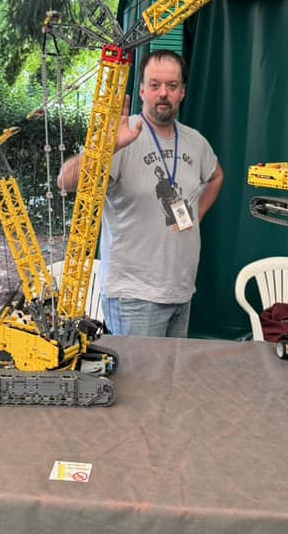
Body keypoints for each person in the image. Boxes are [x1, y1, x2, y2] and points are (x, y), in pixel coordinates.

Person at [57, 49, 223, 337]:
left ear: (182, 92)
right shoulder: (123, 135)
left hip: (181, 292)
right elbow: (65, 181)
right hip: (133, 297)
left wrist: (194, 216)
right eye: (155, 85)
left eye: (172, 86)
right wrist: (108, 146)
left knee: (170, 369)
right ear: (142, 90)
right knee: (139, 369)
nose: (163, 93)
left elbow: (216, 176)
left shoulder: (195, 142)